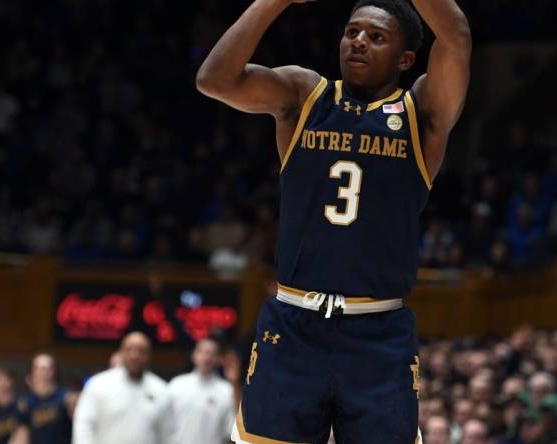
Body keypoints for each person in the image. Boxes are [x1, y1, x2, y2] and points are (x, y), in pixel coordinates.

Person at [198, 0, 470, 438]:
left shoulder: (423, 113)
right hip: (293, 323)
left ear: (405, 59)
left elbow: (455, 34)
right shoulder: (305, 94)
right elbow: (214, 81)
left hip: (378, 330)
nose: (358, 41)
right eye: (351, 31)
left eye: (376, 36)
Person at [73, 332, 174, 444]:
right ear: (121, 352)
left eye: (141, 351)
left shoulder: (161, 389)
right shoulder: (99, 384)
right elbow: (84, 424)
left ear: (149, 355)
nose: (135, 355)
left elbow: (167, 434)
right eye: (130, 349)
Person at [168, 338, 235, 444]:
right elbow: (163, 424)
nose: (207, 357)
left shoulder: (227, 391)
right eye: (203, 352)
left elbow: (229, 433)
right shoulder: (176, 385)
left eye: (212, 353)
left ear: (218, 359)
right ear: (194, 355)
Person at [18, 353, 76, 444]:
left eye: (49, 367)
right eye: (40, 368)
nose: (45, 371)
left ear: (54, 371)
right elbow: (22, 435)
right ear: (33, 372)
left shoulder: (67, 397)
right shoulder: (26, 403)